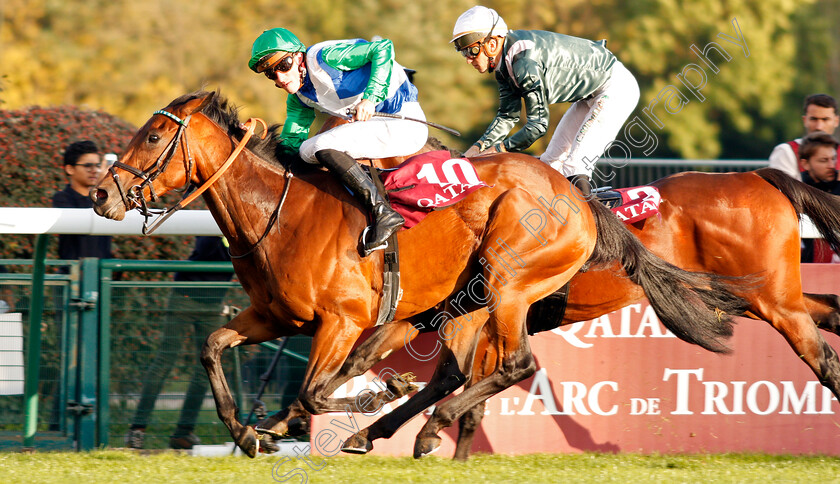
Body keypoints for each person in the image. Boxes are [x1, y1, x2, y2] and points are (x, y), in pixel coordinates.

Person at [248, 28, 428, 256]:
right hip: (380, 128)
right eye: (271, 74)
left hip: (405, 123)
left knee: (317, 146)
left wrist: (370, 98)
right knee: (304, 152)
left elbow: (383, 49)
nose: (281, 78)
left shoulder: (325, 57)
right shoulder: (299, 98)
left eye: (284, 66)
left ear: (299, 57)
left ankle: (383, 213)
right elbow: (290, 146)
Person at [451, 6, 640, 198]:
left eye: (472, 51)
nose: (468, 60)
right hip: (591, 96)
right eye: (463, 53)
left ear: (492, 44)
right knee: (550, 165)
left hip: (616, 89)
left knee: (575, 165)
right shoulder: (503, 65)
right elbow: (507, 117)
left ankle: (595, 227)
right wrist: (473, 151)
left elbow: (538, 126)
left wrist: (497, 150)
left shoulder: (523, 63)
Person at [125, 236, 233, 450]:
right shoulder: (214, 223)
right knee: (164, 361)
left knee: (208, 369)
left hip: (212, 305)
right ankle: (137, 430)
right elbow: (206, 249)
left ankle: (183, 433)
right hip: (184, 297)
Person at [52, 140, 112, 261]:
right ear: (70, 169)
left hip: (103, 274)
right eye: (88, 166)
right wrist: (99, 187)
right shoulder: (62, 198)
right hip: (72, 275)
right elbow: (83, 224)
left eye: (98, 165)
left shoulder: (105, 198)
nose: (95, 170)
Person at [768, 94, 840, 181]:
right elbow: (781, 191)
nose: (819, 126)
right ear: (805, 120)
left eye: (825, 119)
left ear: (836, 121)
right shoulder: (787, 152)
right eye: (814, 119)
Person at [798, 132, 840, 263]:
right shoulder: (798, 189)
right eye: (824, 160)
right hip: (807, 268)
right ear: (805, 164)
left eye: (833, 159)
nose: (832, 165)